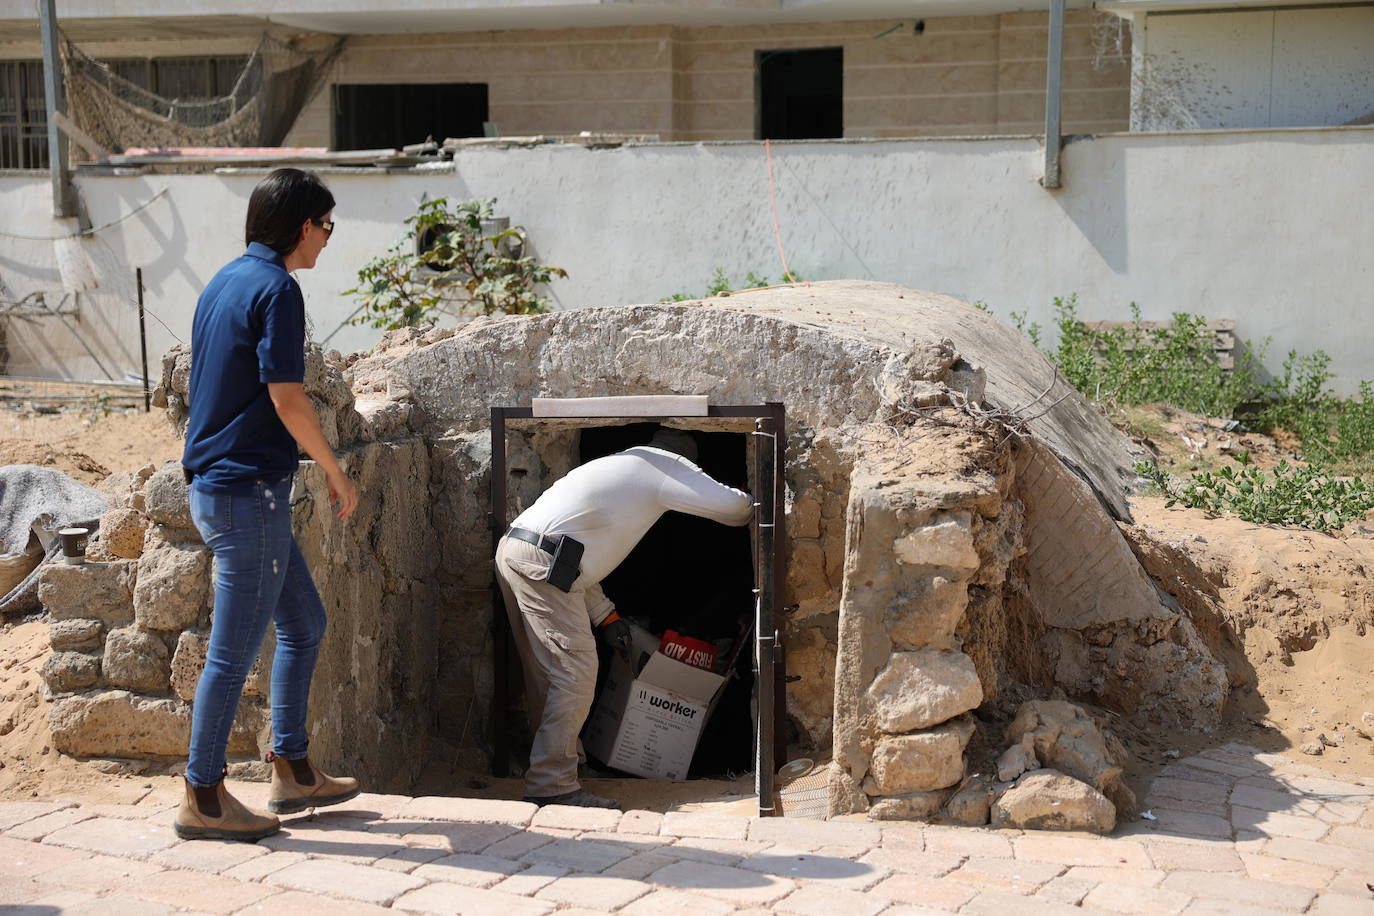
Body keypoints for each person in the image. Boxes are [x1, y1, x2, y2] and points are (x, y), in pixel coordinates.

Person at [175, 168, 361, 841]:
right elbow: (286, 397)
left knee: (306, 623)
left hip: (227, 490)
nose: (328, 241)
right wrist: (336, 471)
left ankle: (293, 768)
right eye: (328, 227)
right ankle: (204, 797)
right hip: (245, 495)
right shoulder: (278, 289)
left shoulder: (224, 280)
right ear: (304, 226)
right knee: (232, 653)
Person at [495, 427, 753, 809]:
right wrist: (756, 497)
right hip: (545, 564)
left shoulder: (618, 465)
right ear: (685, 461)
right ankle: (553, 785)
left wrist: (606, 616)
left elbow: (575, 552)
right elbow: (736, 510)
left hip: (524, 553)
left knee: (547, 677)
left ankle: (565, 768)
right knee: (575, 674)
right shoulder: (663, 467)